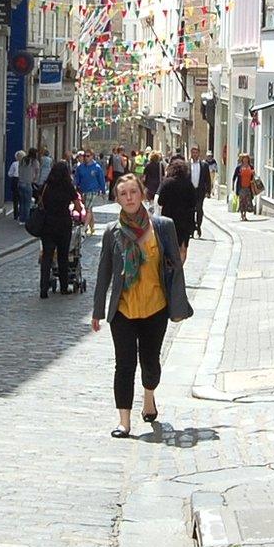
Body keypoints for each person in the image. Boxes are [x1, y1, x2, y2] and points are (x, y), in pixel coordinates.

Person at [91, 174, 193, 437]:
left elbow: (175, 268)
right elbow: (104, 272)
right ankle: (124, 421)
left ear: (142, 194)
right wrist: (97, 311)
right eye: (123, 194)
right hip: (123, 309)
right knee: (124, 365)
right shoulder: (112, 232)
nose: (129, 198)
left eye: (133, 192)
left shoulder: (162, 227)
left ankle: (149, 396)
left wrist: (178, 306)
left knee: (150, 362)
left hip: (155, 307)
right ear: (117, 200)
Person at [35, 158, 80, 298]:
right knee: (63, 256)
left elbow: (38, 200)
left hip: (47, 224)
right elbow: (78, 206)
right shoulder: (68, 187)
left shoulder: (46, 186)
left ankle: (43, 289)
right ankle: (64, 287)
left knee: (47, 257)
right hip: (63, 224)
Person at [155, 153, 201, 250]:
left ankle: (172, 264)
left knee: (169, 246)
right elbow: (193, 202)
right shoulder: (189, 184)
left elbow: (160, 201)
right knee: (183, 246)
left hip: (169, 219)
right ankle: (180, 264)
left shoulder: (166, 183)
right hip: (185, 220)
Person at [187, 147, 214, 238]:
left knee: (199, 209)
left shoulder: (204, 165)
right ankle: (191, 228)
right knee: (190, 211)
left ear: (199, 154)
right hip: (189, 191)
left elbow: (208, 179)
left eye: (196, 152)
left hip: (200, 191)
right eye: (193, 152)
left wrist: (208, 191)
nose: (194, 154)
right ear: (191, 153)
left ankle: (198, 226)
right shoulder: (187, 165)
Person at [232, 153, 262, 220]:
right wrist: (233, 186)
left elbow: (253, 176)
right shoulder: (239, 167)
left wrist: (253, 175)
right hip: (241, 187)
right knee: (242, 201)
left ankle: (245, 214)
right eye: (244, 159)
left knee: (247, 201)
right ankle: (242, 215)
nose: (245, 160)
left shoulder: (251, 167)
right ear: (242, 160)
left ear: (248, 160)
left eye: (246, 159)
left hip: (248, 186)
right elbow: (234, 177)